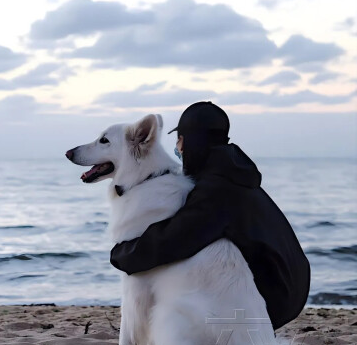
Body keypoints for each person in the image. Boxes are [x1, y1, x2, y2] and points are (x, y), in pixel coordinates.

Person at [110, 101, 310, 330]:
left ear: (186, 141)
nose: (177, 148)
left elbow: (173, 239)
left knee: (184, 254)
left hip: (272, 298)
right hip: (288, 287)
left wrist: (122, 253)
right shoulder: (230, 172)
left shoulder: (217, 187)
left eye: (179, 139)